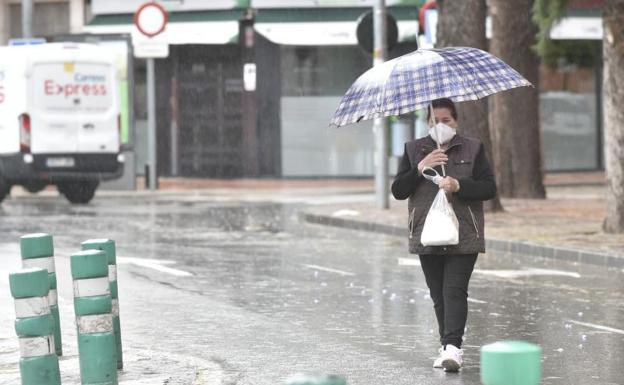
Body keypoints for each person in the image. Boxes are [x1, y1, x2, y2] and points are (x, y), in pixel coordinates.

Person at [391, 98, 496, 372]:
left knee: (454, 290)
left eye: (446, 120)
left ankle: (453, 348)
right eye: (435, 121)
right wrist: (420, 167)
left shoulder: (473, 148)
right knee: (438, 294)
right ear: (427, 122)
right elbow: (399, 190)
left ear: (456, 121)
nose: (441, 125)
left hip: (464, 233)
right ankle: (446, 345)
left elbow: (488, 188)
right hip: (428, 233)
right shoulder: (413, 149)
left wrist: (458, 185)